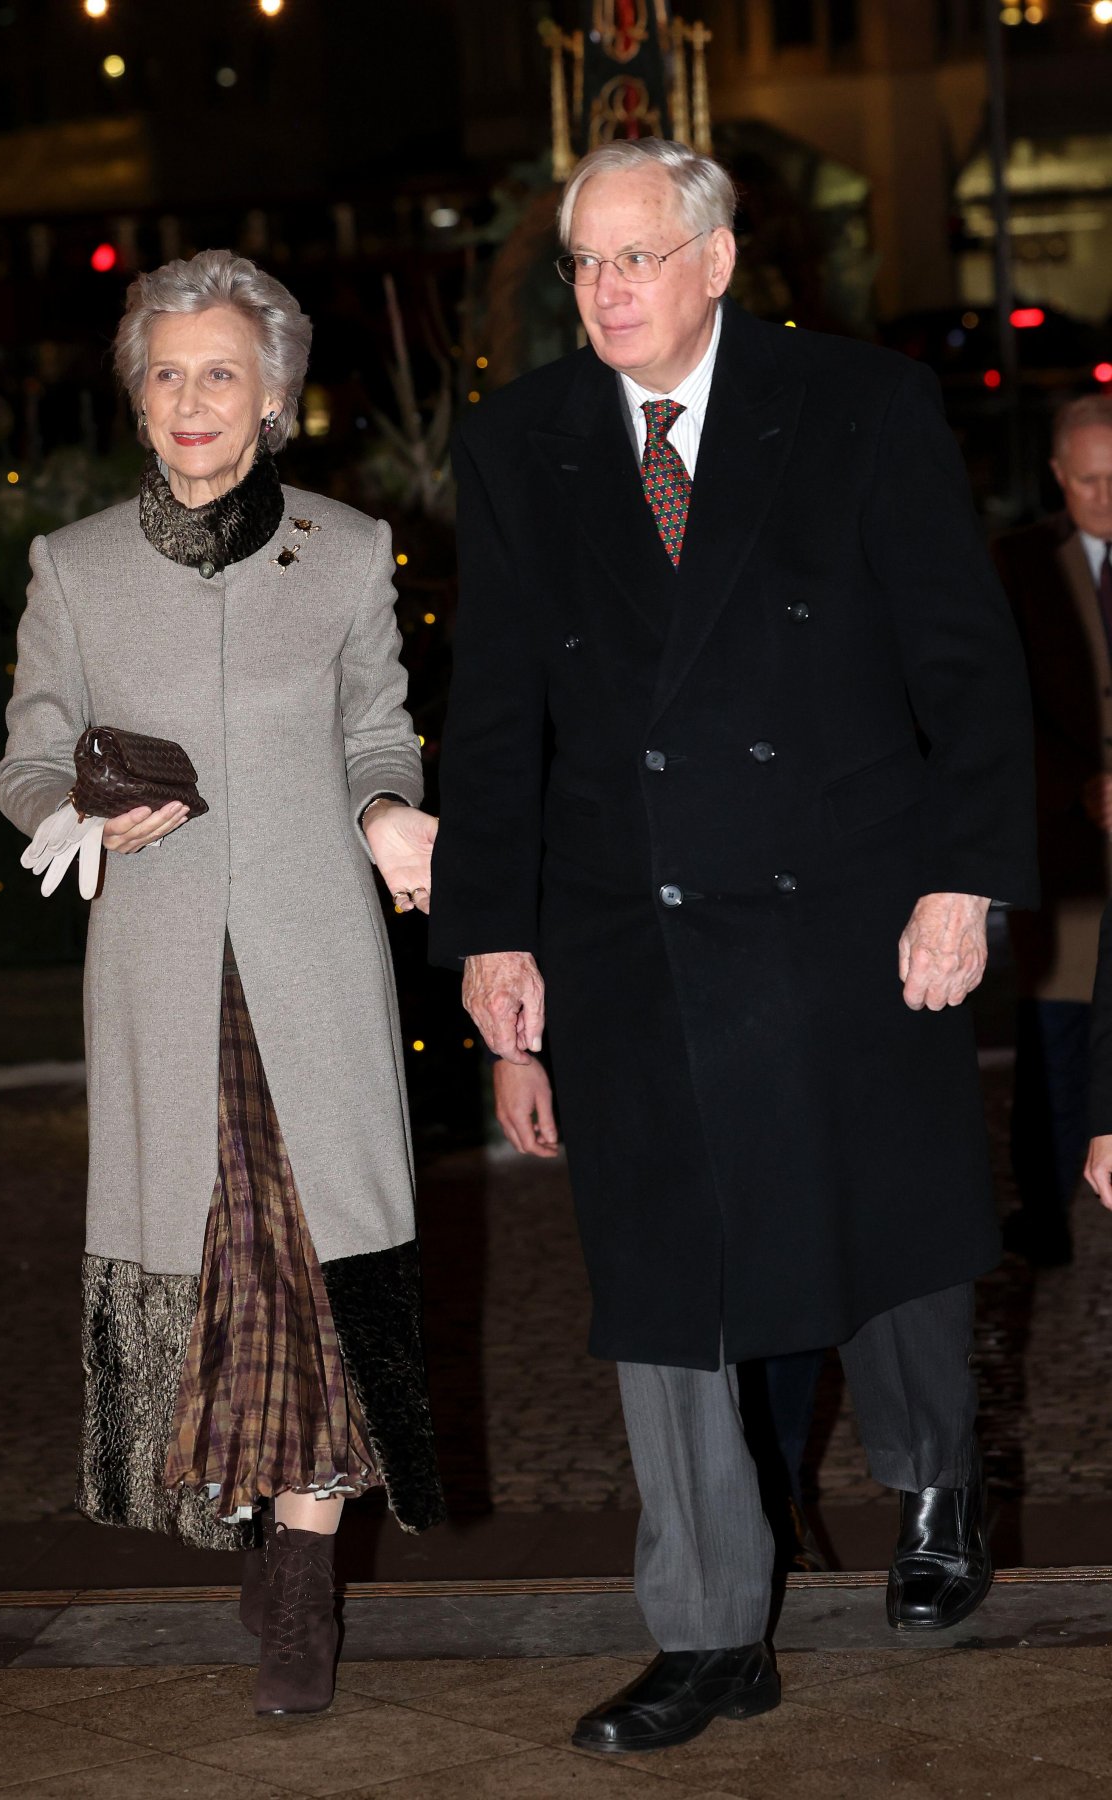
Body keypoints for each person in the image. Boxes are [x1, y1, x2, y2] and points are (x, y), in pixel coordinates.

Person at [429, 140, 1037, 1754]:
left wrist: (965, 881)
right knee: (663, 1290)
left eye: (639, 259)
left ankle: (933, 1476)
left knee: (888, 1245)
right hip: (634, 931)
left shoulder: (857, 408)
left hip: (852, 908)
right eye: (586, 265)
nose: (609, 291)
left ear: (714, 263)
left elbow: (967, 668)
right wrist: (493, 945)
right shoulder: (522, 448)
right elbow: (494, 725)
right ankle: (710, 1633)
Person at [0, 249, 443, 1717]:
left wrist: (388, 811)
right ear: (138, 394)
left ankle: (306, 1584)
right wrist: (70, 814)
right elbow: (27, 752)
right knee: (214, 1268)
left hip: (316, 961)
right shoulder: (74, 567)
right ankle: (249, 1515)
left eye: (223, 373)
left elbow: (380, 729)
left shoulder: (350, 547)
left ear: (277, 398)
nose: (195, 399)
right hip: (160, 975)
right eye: (169, 372)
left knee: (317, 1264)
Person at [493, 1054, 827, 1571]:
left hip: (770, 1021)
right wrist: (512, 1052)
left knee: (784, 1256)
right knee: (675, 1262)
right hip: (636, 1036)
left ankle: (778, 1498)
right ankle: (716, 1527)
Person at [999, 394, 1112, 1265]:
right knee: (1059, 1032)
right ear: (1057, 479)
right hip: (1069, 848)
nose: (1106, 498)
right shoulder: (1017, 566)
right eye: (1088, 482)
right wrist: (1081, 787)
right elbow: (997, 712)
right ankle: (1044, 1209)